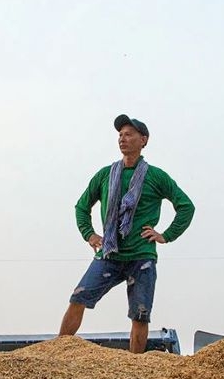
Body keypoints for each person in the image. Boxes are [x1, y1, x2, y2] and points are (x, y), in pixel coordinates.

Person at [59, 114, 195, 353]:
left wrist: (166, 235)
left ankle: (135, 366)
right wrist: (90, 234)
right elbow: (82, 207)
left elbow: (185, 206)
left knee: (140, 314)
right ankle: (56, 352)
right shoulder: (105, 175)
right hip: (110, 253)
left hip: (141, 255)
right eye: (120, 135)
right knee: (79, 297)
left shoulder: (156, 176)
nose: (123, 138)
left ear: (143, 140)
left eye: (129, 134)